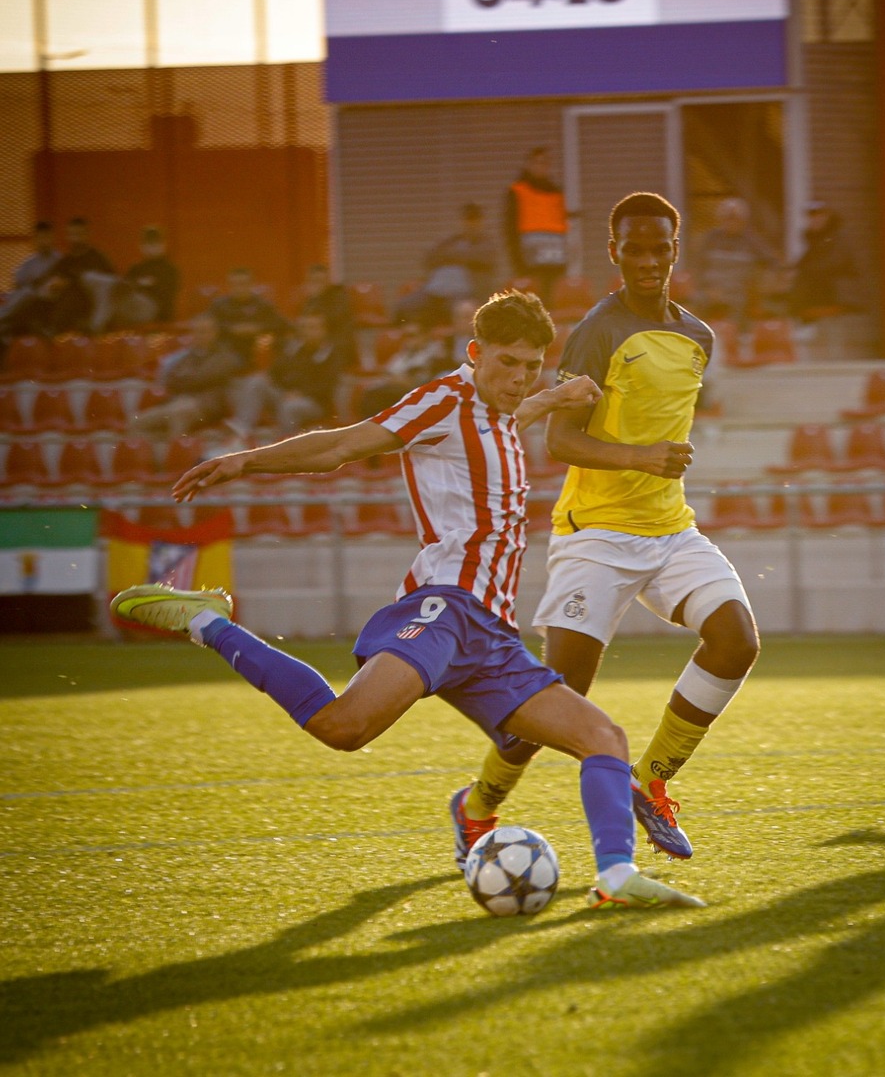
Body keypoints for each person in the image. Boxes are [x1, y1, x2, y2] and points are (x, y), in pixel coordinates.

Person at [111, 289, 704, 911]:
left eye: (532, 365)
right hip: (444, 610)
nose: (518, 377)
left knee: (603, 736)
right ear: (475, 354)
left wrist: (552, 396)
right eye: (506, 363)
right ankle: (208, 621)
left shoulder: (499, 409)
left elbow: (505, 416)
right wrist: (246, 462)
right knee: (343, 727)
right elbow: (343, 445)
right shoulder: (443, 399)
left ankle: (615, 876)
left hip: (492, 636)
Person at [454, 194, 759, 867]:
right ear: (614, 253)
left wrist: (656, 464)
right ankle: (477, 807)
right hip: (595, 532)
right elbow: (560, 439)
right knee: (556, 697)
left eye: (661, 249)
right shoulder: (598, 330)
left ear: (675, 251)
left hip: (670, 529)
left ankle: (650, 782)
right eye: (636, 250)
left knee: (736, 639)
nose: (649, 262)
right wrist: (640, 458)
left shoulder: (699, 337)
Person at [229, 311, 344, 437]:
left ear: (324, 330)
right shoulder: (294, 349)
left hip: (315, 403)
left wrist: (301, 394)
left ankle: (283, 443)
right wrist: (269, 378)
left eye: (312, 327)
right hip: (286, 396)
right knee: (257, 382)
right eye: (303, 327)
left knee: (290, 406)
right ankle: (241, 431)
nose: (306, 331)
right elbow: (275, 372)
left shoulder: (332, 354)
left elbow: (327, 386)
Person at [132, 312, 242, 439]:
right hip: (177, 401)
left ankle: (177, 455)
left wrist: (186, 379)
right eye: (196, 331)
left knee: (178, 414)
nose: (199, 335)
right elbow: (170, 381)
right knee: (135, 422)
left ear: (215, 333)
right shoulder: (185, 357)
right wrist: (189, 379)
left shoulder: (225, 357)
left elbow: (204, 379)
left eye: (204, 331)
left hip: (206, 404)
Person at [396, 203, 498, 326]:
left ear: (481, 222)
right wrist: (460, 256)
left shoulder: (487, 244)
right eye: (467, 220)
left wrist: (450, 256)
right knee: (404, 305)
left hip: (463, 295)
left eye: (474, 220)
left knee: (461, 313)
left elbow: (482, 258)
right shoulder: (450, 241)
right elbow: (429, 258)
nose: (470, 224)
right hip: (433, 292)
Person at [692, 196, 779, 328]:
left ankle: (735, 340)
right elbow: (698, 267)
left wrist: (760, 285)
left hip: (740, 291)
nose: (731, 222)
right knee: (695, 303)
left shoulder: (752, 241)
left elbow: (772, 263)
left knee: (739, 307)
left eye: (735, 219)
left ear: (743, 221)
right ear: (721, 219)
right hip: (711, 289)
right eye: (727, 218)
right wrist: (707, 288)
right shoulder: (711, 239)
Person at [504, 147, 570, 306]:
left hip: (555, 257)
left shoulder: (556, 192)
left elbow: (561, 225)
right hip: (530, 259)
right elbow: (509, 228)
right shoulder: (517, 190)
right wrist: (517, 261)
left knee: (554, 299)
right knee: (531, 299)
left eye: (545, 163)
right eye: (537, 162)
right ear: (528, 164)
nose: (541, 167)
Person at [87, 224, 180, 332]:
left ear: (164, 245)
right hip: (129, 308)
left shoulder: (170, 269)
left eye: (155, 243)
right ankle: (97, 323)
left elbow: (166, 297)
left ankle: (95, 325)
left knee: (114, 288)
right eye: (148, 243)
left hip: (154, 311)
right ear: (141, 246)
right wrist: (140, 284)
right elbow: (124, 286)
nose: (152, 247)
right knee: (99, 282)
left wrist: (137, 285)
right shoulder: (136, 268)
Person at [787, 201, 856, 324]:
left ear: (828, 217)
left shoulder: (838, 237)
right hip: (822, 296)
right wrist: (789, 271)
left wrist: (802, 271)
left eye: (819, 215)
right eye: (811, 216)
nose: (815, 219)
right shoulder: (817, 240)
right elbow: (803, 263)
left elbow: (834, 263)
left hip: (837, 296)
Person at [210, 267, 288, 370]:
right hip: (229, 344)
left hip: (258, 345)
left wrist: (258, 328)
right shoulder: (219, 305)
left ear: (252, 284)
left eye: (243, 283)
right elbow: (208, 325)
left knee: (273, 342)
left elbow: (282, 324)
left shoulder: (263, 304)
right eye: (235, 284)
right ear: (229, 285)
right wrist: (232, 329)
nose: (239, 288)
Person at [0, 221, 62, 342]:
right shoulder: (29, 263)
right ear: (36, 239)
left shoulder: (60, 260)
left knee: (27, 293)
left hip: (49, 302)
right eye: (40, 238)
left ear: (52, 238)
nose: (44, 242)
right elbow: (17, 283)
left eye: (47, 237)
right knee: (14, 296)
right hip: (28, 303)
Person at [299, 264, 357, 371]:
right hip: (317, 343)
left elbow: (330, 320)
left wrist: (317, 298)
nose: (318, 284)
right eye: (314, 281)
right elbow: (305, 322)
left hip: (338, 343)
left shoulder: (339, 295)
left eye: (321, 280)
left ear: (328, 280)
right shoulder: (311, 299)